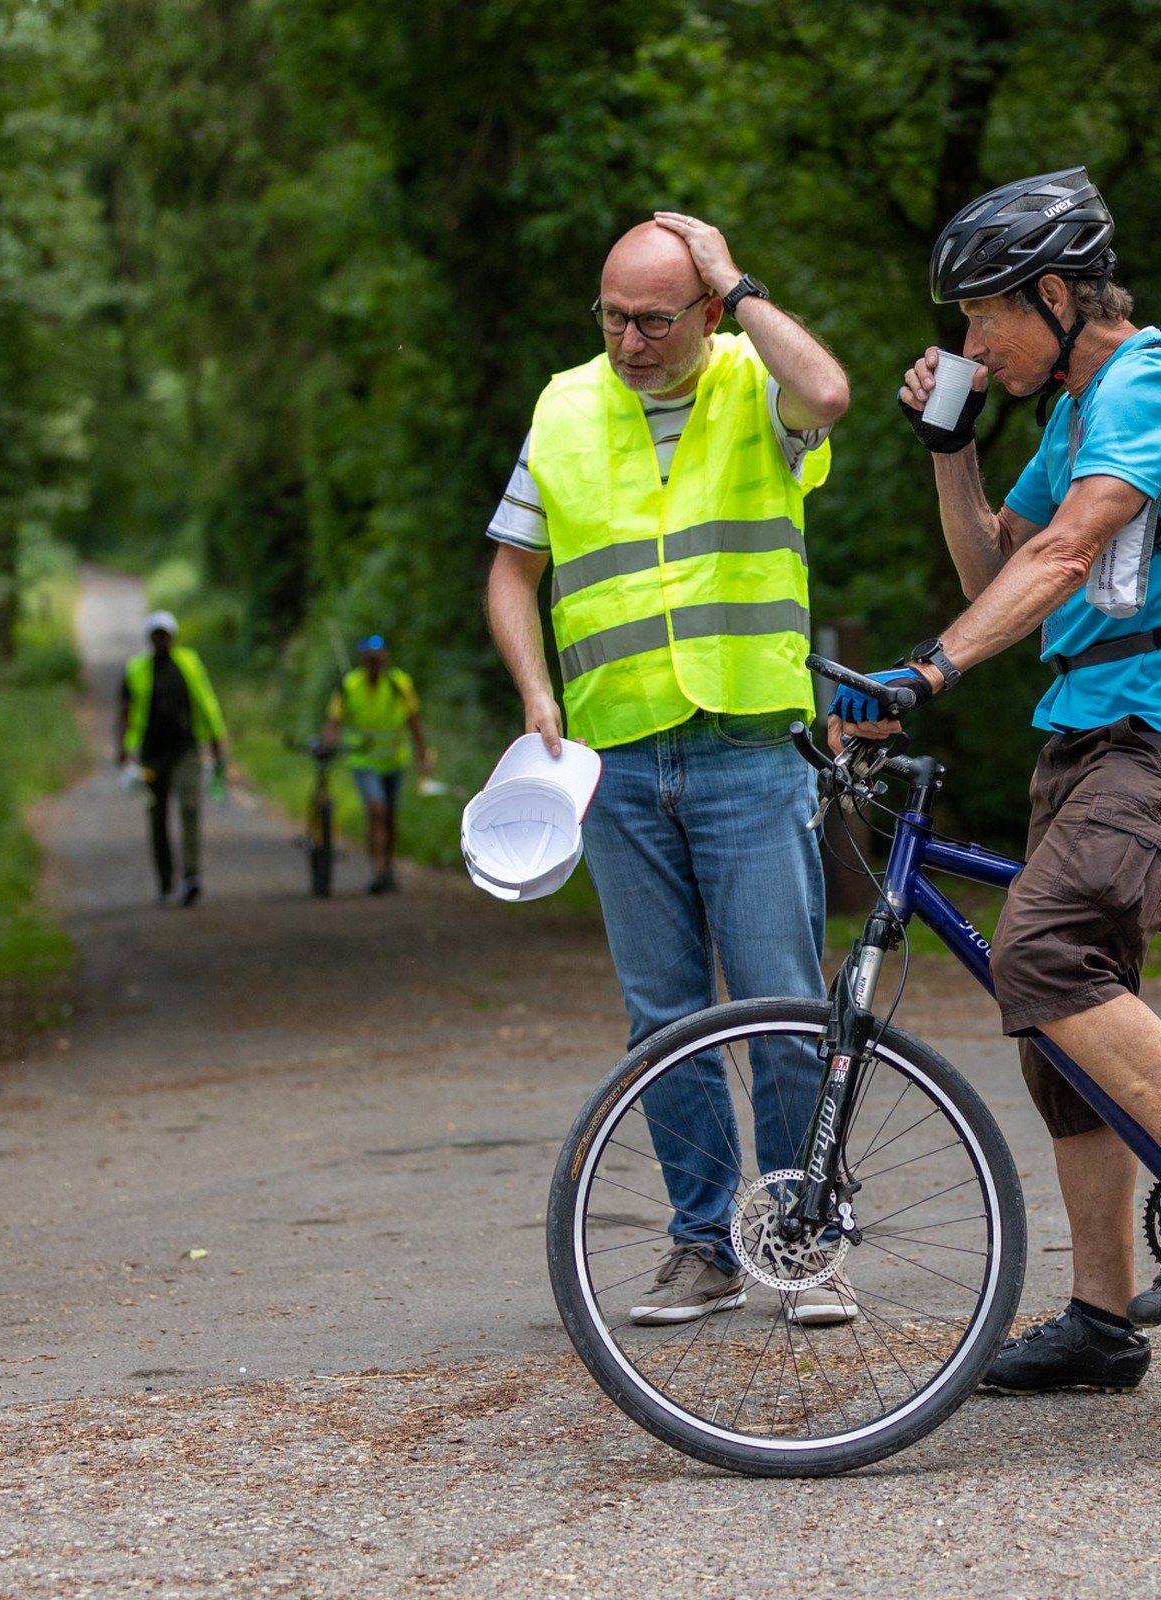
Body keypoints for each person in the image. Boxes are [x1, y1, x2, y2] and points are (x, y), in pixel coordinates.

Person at [831, 168, 1161, 1392]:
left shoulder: (1150, 379)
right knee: (1053, 1020)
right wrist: (952, 451)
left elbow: (1071, 550)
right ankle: (1103, 1318)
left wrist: (929, 670)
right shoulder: (1075, 414)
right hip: (1087, 733)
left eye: (985, 317)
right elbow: (999, 563)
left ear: (1053, 293)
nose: (971, 345)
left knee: (1042, 950)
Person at [484, 211, 853, 1325]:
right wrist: (536, 691)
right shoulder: (563, 405)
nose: (629, 341)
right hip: (614, 756)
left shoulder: (756, 383)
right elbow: (510, 572)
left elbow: (830, 393)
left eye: (653, 319)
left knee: (784, 1008)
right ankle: (704, 1244)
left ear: (705, 312)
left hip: (750, 746)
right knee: (663, 1021)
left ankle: (804, 1239)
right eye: (612, 318)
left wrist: (739, 283)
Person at [115, 611, 225, 908]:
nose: (161, 640)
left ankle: (191, 876)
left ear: (173, 637)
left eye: (165, 634)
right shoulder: (136, 668)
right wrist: (122, 748)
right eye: (156, 635)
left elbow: (207, 701)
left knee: (190, 808)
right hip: (152, 755)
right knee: (157, 817)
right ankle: (165, 881)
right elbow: (125, 709)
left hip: (186, 750)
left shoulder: (189, 663)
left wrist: (217, 741)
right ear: (149, 639)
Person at [319, 634, 432, 895]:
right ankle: (378, 870)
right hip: (364, 761)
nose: (374, 663)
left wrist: (423, 755)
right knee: (376, 809)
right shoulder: (350, 685)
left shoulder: (399, 684)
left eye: (378, 658)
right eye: (370, 659)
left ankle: (388, 868)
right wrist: (328, 745)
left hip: (394, 760)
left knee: (390, 815)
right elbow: (334, 721)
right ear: (362, 660)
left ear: (384, 659)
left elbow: (414, 721)